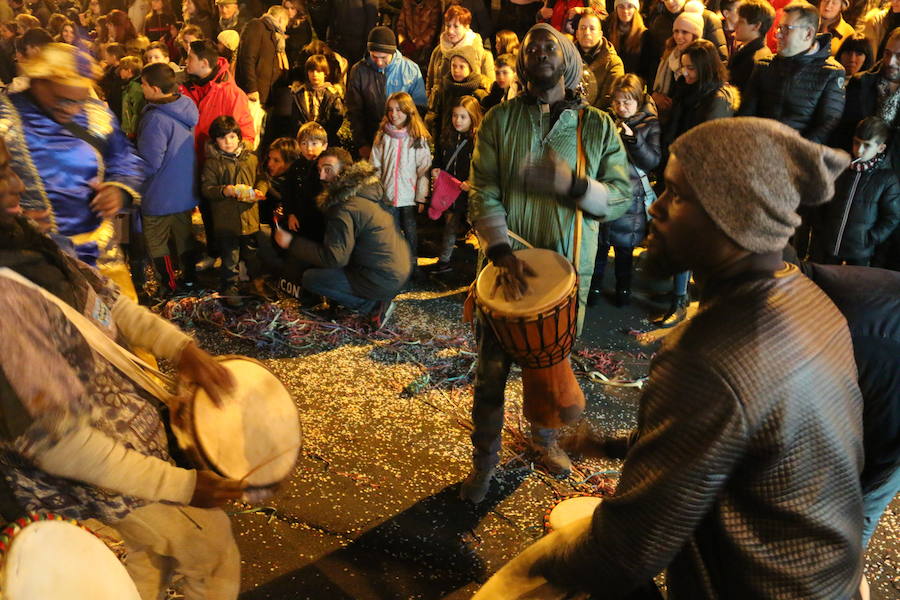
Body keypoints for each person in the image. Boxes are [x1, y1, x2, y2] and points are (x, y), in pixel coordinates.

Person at [475, 117, 863, 600]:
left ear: (733, 214)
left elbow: (625, 552)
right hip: (828, 579)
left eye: (676, 195)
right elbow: (741, 438)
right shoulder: (806, 297)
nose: (654, 208)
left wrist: (518, 577)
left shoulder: (709, 356)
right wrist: (618, 447)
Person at [0, 143, 245, 600]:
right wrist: (183, 484)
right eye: (1, 174)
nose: (16, 184)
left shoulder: (20, 237)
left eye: (10, 168)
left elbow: (107, 304)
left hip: (127, 446)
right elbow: (61, 444)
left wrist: (181, 348)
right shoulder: (4, 302)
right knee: (210, 550)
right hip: (89, 479)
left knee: (150, 563)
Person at [462, 23, 630, 502]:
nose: (538, 51)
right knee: (490, 375)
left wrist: (574, 186)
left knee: (549, 368)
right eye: (530, 45)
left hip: (566, 270)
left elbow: (621, 199)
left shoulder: (597, 126)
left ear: (570, 60)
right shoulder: (498, 120)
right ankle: (485, 461)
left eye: (549, 45)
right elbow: (483, 189)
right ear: (522, 62)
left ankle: (545, 440)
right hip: (505, 268)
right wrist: (498, 250)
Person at [0, 43, 144, 298]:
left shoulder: (96, 114)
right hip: (37, 260)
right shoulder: (5, 119)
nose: (72, 108)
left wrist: (119, 190)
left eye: (78, 100)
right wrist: (12, 217)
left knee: (123, 326)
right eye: (62, 99)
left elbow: (125, 158)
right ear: (38, 82)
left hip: (101, 252)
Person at [273, 146, 412, 328]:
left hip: (381, 278)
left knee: (312, 278)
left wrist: (291, 243)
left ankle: (371, 306)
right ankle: (372, 297)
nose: (322, 176)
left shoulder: (344, 207)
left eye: (328, 169)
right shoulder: (367, 192)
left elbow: (335, 258)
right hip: (397, 270)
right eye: (319, 170)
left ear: (345, 169)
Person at [589, 73, 659, 307]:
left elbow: (652, 161)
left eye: (627, 101)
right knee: (599, 248)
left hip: (631, 199)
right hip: (606, 193)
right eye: (617, 101)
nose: (621, 107)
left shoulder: (649, 124)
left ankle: (624, 289)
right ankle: (594, 287)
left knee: (624, 251)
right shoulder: (606, 120)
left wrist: (634, 140)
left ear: (638, 101)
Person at [738, 1, 846, 144]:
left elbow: (826, 126)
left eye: (786, 29)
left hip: (799, 155)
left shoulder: (830, 73)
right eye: (779, 28)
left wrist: (794, 152)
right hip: (758, 148)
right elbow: (746, 115)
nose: (778, 35)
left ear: (808, 34)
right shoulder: (764, 65)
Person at [136, 62, 200, 297]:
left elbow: (149, 163)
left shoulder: (155, 120)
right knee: (184, 239)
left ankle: (169, 286)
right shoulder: (186, 105)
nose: (141, 88)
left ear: (154, 89)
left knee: (157, 242)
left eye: (143, 84)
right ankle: (191, 280)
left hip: (159, 194)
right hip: (184, 191)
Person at [810, 117, 900, 265]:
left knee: (855, 286)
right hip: (829, 246)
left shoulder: (887, 179)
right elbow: (821, 199)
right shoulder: (840, 168)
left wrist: (869, 238)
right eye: (856, 142)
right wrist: (821, 228)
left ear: (881, 148)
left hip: (860, 252)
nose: (859, 150)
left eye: (867, 145)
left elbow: (892, 217)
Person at [201, 115, 265, 306]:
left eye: (231, 137)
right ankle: (230, 286)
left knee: (252, 254)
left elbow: (262, 177)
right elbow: (206, 189)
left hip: (249, 217)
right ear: (215, 141)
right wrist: (224, 190)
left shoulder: (251, 159)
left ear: (238, 137)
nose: (227, 142)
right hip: (226, 220)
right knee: (230, 256)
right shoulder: (213, 163)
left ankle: (257, 283)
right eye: (222, 138)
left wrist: (261, 189)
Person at [372, 91, 432, 274]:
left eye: (399, 110)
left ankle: (413, 264)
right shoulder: (383, 136)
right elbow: (375, 166)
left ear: (408, 111)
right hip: (387, 194)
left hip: (409, 195)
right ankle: (396, 265)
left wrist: (421, 196)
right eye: (390, 110)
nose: (394, 114)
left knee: (411, 231)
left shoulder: (417, 137)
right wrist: (376, 191)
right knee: (393, 231)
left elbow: (424, 169)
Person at [345, 26, 427, 159]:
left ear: (393, 52)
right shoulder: (359, 70)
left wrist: (410, 136)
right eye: (374, 56)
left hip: (404, 141)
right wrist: (361, 144)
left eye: (383, 57)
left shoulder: (410, 69)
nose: (378, 62)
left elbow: (419, 108)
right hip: (370, 139)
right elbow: (354, 110)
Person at [428, 94, 481, 273]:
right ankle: (444, 260)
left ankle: (484, 264)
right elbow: (439, 160)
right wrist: (436, 169)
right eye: (454, 115)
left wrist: (472, 182)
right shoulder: (447, 137)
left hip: (470, 193)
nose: (457, 120)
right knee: (449, 226)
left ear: (472, 118)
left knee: (479, 228)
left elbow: (483, 166)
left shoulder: (478, 141)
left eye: (463, 116)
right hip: (451, 192)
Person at [181, 38, 254, 161]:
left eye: (190, 58)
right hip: (186, 161)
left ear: (204, 63)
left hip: (214, 166)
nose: (185, 61)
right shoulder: (182, 86)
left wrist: (225, 158)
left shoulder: (233, 95)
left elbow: (246, 134)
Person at [831, 28, 900, 152]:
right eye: (887, 53)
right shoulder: (860, 82)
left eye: (899, 56)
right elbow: (843, 131)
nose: (890, 62)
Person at [425, 5, 494, 95]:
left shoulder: (482, 54)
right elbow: (429, 82)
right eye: (448, 25)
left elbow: (490, 89)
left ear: (466, 27)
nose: (450, 31)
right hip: (441, 106)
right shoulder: (438, 51)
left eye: (456, 26)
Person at [651, 0, 703, 115]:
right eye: (676, 31)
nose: (679, 36)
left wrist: (675, 105)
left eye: (685, 32)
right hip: (663, 114)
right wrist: (655, 95)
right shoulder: (670, 53)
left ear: (695, 35)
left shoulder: (700, 61)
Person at [426, 48, 488, 140]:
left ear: (470, 68)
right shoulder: (443, 89)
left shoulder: (479, 92)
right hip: (447, 140)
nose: (456, 70)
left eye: (461, 67)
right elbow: (436, 118)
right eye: (453, 66)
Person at [235, 5, 289, 106]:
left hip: (266, 94)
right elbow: (247, 58)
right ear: (281, 19)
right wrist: (252, 88)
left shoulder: (273, 34)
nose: (285, 29)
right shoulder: (257, 26)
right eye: (285, 24)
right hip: (254, 94)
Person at [575, 8, 625, 109]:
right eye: (583, 28)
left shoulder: (613, 63)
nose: (587, 32)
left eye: (592, 28)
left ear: (600, 34)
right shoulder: (567, 58)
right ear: (577, 34)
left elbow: (609, 100)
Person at [727, 0, 774, 94]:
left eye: (741, 22)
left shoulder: (757, 59)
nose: (735, 26)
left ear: (756, 26)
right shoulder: (743, 49)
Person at [605, 0, 652, 81]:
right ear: (616, 9)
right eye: (621, 6)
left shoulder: (645, 35)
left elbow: (647, 68)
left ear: (635, 9)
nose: (625, 11)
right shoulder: (608, 30)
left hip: (633, 85)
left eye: (630, 6)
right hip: (611, 82)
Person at [395, 0, 442, 76]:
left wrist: (416, 44)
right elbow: (401, 25)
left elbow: (434, 28)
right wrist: (403, 41)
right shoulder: (407, 3)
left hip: (425, 52)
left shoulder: (433, 3)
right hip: (407, 50)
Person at [118, 54, 145, 139]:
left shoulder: (135, 88)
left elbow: (136, 110)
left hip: (131, 131)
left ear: (129, 71)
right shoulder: (129, 85)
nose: (119, 72)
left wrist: (131, 130)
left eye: (121, 69)